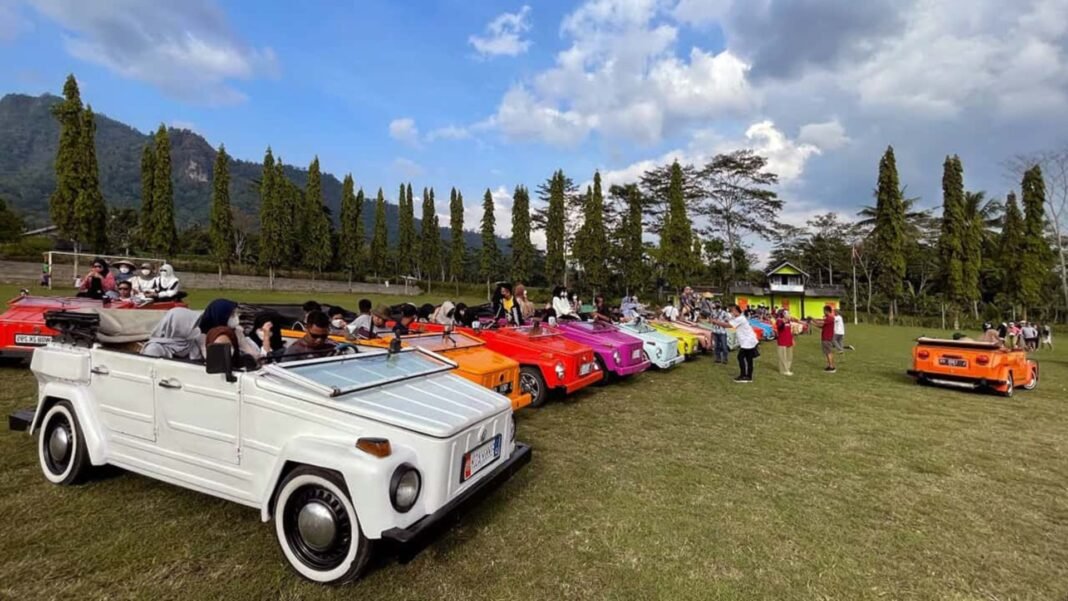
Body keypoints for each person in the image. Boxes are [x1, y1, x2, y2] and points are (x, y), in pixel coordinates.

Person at [709, 304, 758, 383]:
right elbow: (729, 322)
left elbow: (728, 325)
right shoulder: (739, 318)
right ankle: (748, 376)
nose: (731, 313)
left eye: (732, 311)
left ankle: (744, 376)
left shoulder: (740, 319)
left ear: (736, 311)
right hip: (749, 341)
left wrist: (715, 321)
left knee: (741, 357)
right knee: (748, 359)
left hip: (748, 342)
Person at [813, 306, 837, 373]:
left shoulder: (829, 318)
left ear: (827, 311)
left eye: (824, 310)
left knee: (828, 352)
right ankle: (831, 366)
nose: (823, 312)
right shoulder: (828, 319)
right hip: (827, 337)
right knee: (828, 352)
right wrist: (813, 323)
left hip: (827, 338)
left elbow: (820, 323)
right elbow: (821, 326)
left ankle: (831, 367)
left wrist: (812, 319)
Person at [775, 310, 795, 376]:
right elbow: (780, 327)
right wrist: (784, 322)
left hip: (789, 341)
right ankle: (783, 370)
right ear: (783, 314)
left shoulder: (789, 321)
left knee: (789, 356)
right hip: (782, 341)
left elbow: (790, 331)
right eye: (788, 313)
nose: (789, 314)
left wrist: (792, 339)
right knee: (783, 356)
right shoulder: (779, 320)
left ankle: (787, 368)